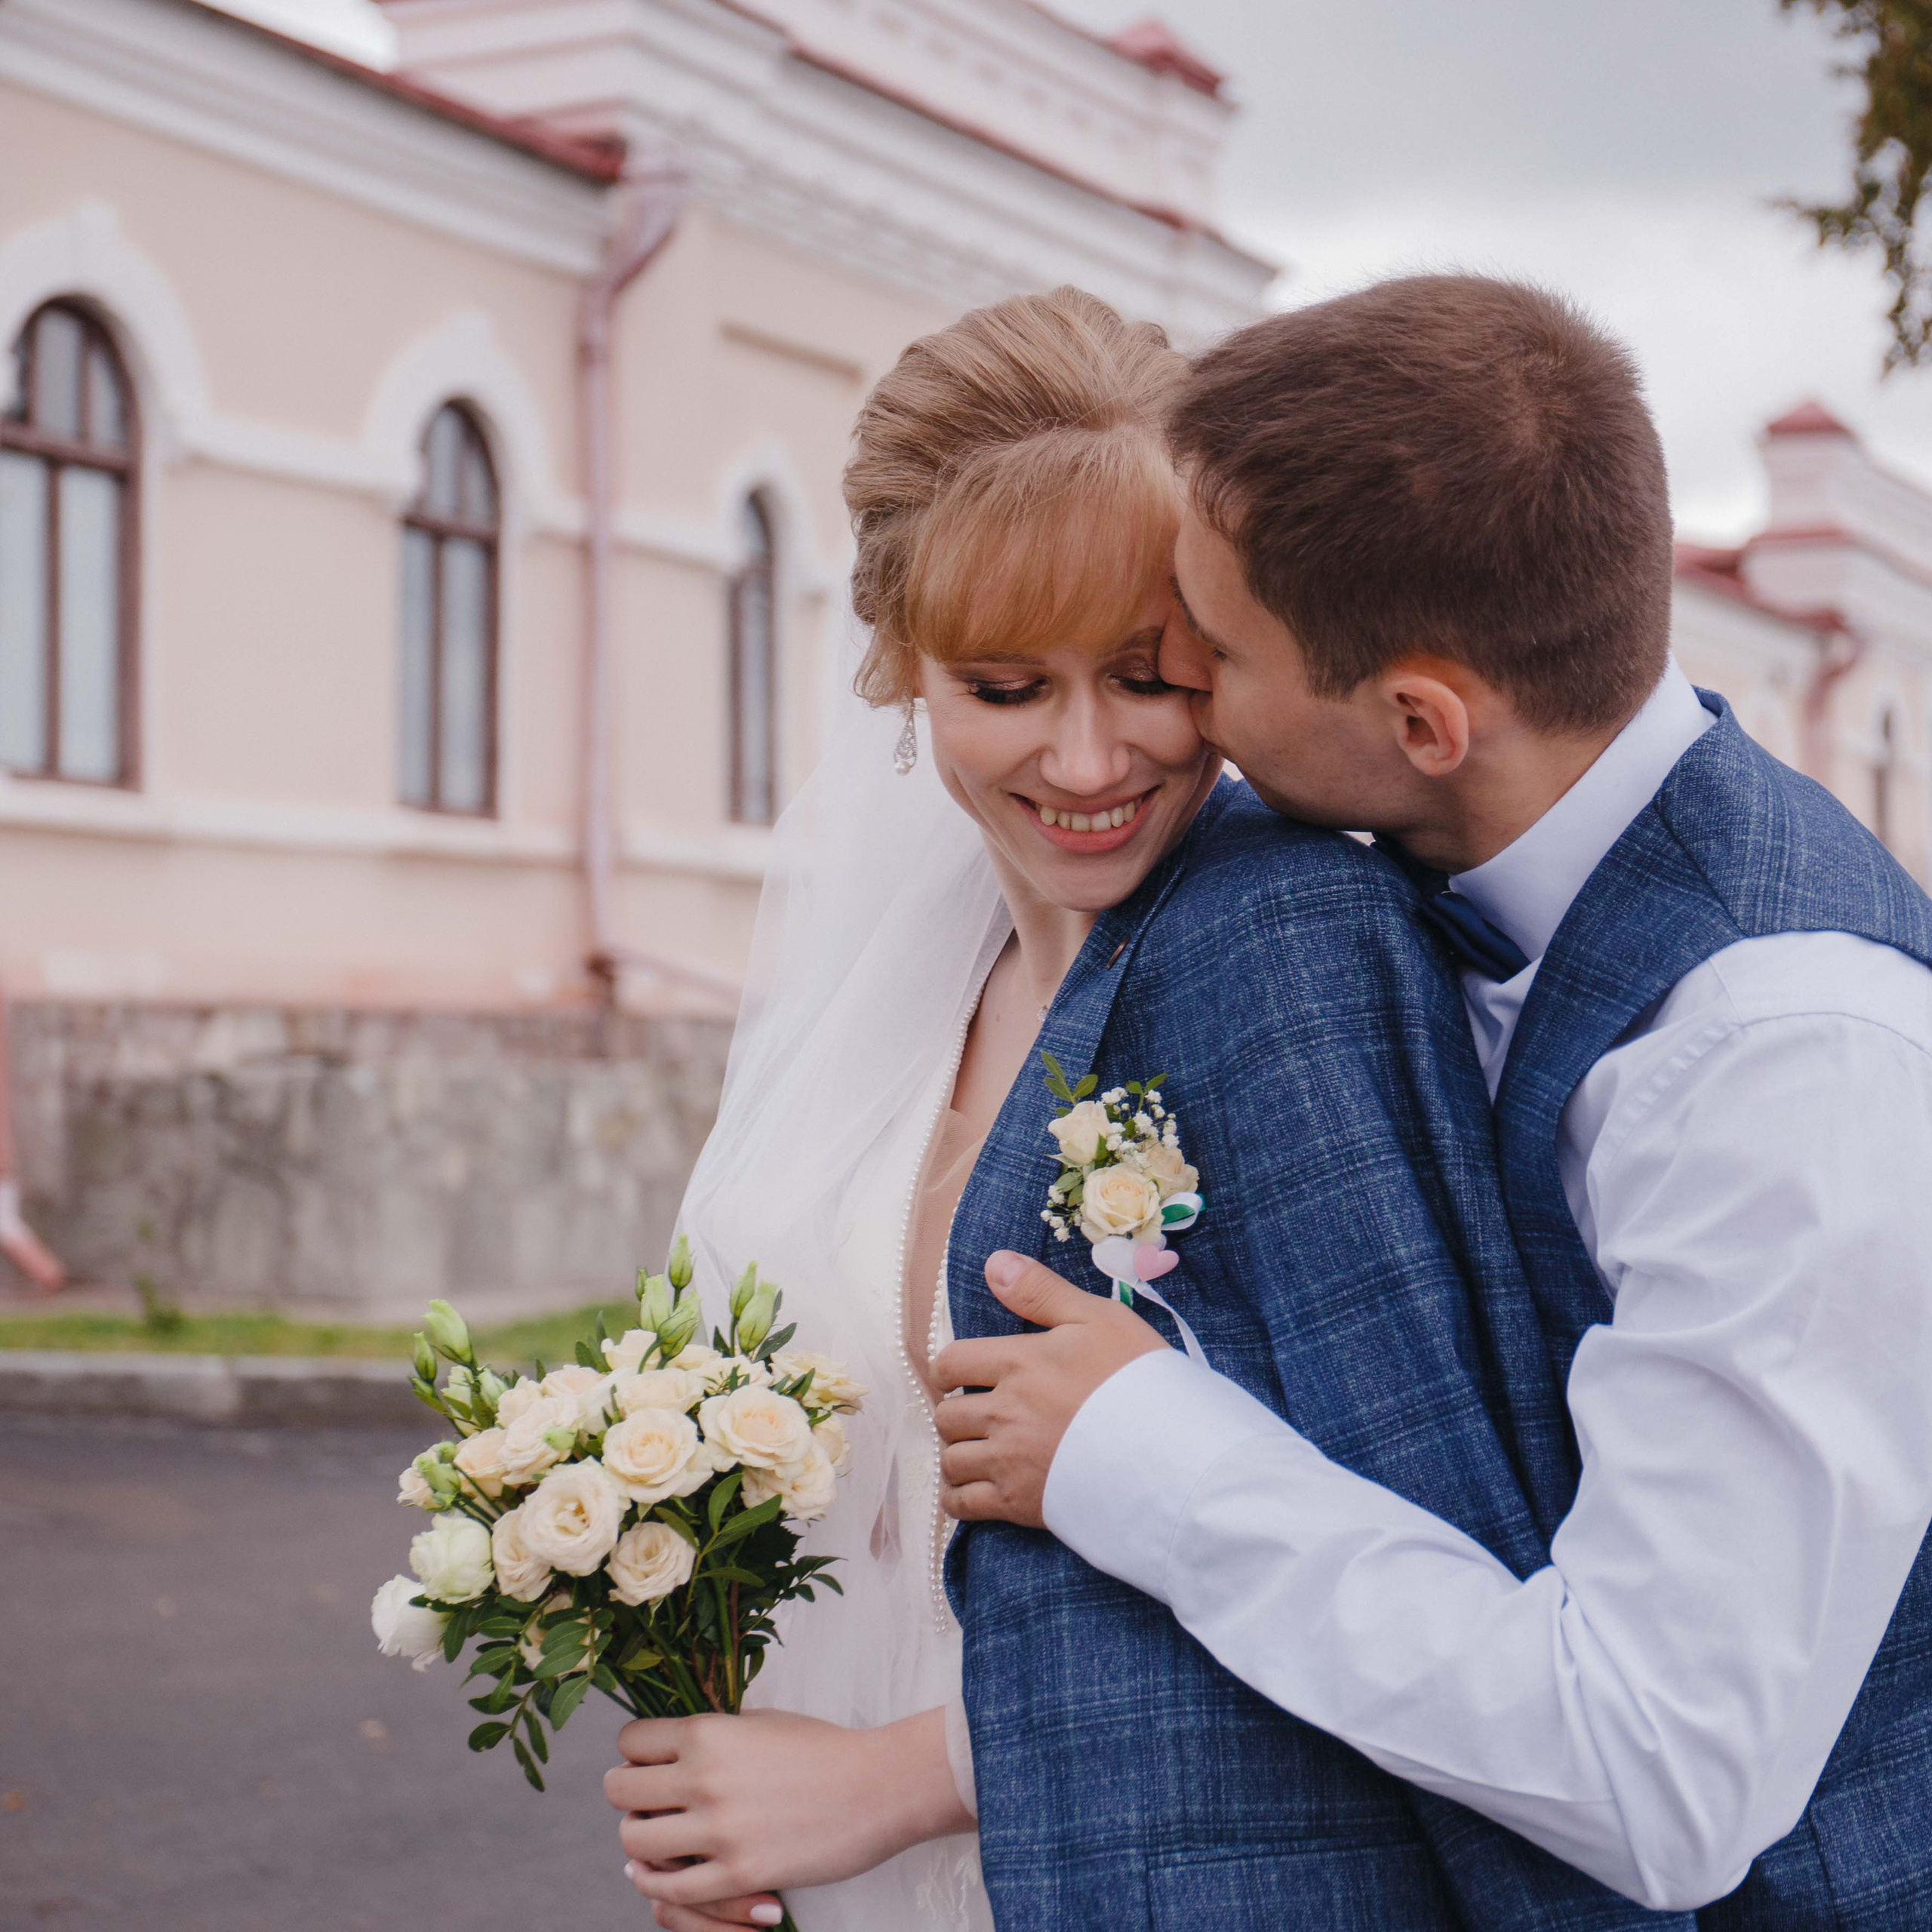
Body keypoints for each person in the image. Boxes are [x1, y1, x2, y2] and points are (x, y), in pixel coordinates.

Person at [605, 289, 1672, 1931]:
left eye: (1146, 675)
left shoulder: (1287, 947)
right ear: (900, 672)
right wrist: (726, 1795)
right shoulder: (915, 961)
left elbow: (1436, 1552)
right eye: (1005, 685)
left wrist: (899, 1772)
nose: (1086, 759)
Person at [935, 275, 1932, 1926]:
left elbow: (1651, 1773)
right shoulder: (1438, 882)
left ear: (1415, 720)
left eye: (1213, 646)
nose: (1173, 675)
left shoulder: (1782, 1065)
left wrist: (1141, 1453)